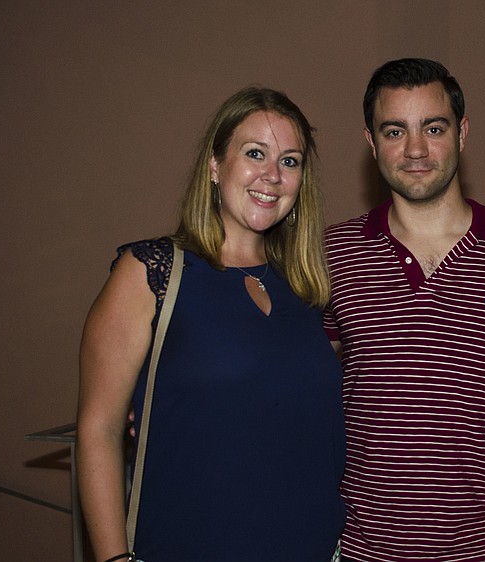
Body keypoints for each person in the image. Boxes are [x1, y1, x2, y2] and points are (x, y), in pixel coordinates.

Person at [76, 87, 345, 561]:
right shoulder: (151, 273)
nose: (272, 176)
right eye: (255, 153)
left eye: (290, 161)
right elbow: (99, 429)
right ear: (216, 166)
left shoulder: (308, 290)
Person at [322, 58, 485, 562]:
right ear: (371, 141)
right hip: (365, 549)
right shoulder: (330, 255)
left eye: (434, 127)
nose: (416, 149)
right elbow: (284, 382)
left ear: (462, 133)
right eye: (395, 131)